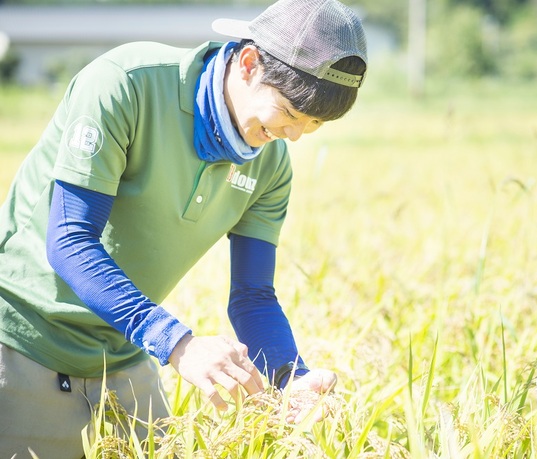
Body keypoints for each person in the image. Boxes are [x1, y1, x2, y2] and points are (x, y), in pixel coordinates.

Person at [0, 0, 367, 457]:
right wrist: (179, 344)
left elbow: (253, 295)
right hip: (20, 341)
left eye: (313, 125)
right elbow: (70, 240)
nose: (294, 136)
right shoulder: (126, 85)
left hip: (124, 350)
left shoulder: (270, 165)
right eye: (290, 113)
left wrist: (291, 377)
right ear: (250, 63)